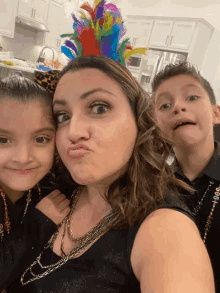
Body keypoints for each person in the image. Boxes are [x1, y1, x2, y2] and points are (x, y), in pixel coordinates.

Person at [20, 54, 215, 293]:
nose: (73, 131)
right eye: (63, 116)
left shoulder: (166, 229)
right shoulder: (53, 190)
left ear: (139, 121)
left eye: (99, 108)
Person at [152, 62, 220, 292]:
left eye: (191, 97)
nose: (178, 107)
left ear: (215, 113)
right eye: (164, 105)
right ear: (156, 125)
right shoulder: (153, 188)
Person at [0, 74, 70, 292]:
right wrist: (40, 223)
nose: (23, 157)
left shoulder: (54, 187)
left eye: (41, 139)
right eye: (3, 140)